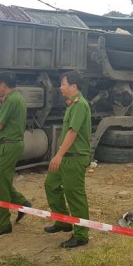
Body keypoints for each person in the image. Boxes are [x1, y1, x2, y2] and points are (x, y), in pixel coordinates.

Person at [0, 72, 32, 237]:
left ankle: (3, 224)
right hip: (12, 145)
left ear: (3, 85)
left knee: (0, 181)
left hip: (8, 145)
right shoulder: (19, 98)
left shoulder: (10, 100)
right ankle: (22, 203)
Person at [44, 71, 91, 248]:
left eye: (63, 84)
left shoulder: (79, 105)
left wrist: (58, 155)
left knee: (75, 195)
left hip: (74, 158)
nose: (60, 87)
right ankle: (63, 221)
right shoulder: (72, 105)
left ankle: (81, 234)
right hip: (67, 157)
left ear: (74, 86)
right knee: (51, 185)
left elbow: (73, 132)